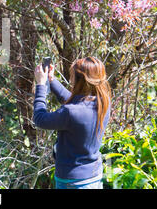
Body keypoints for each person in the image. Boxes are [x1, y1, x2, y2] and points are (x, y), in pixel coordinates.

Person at [33, 56, 112, 189]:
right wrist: (52, 81)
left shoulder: (70, 113)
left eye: (73, 77)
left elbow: (40, 119)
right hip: (94, 177)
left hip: (72, 182)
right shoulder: (104, 102)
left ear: (79, 81)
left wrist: (41, 86)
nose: (71, 79)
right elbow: (77, 103)